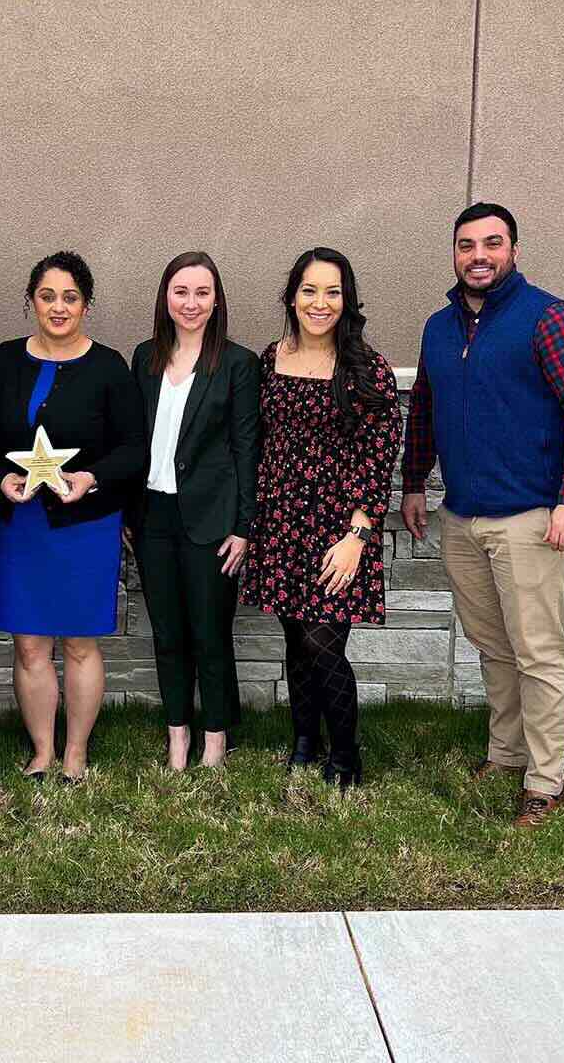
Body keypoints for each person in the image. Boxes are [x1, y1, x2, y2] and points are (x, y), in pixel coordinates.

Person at [401, 202, 564, 826]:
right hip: (462, 515)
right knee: (493, 647)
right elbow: (425, 407)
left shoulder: (549, 317)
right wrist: (415, 483)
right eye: (467, 245)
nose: (479, 255)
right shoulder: (439, 327)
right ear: (455, 255)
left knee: (538, 652)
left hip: (532, 517)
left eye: (492, 243)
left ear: (514, 249)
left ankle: (545, 781)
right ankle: (507, 752)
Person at [240, 248, 399, 788]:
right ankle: (305, 740)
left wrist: (358, 533)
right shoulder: (270, 358)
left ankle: (347, 755)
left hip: (339, 526)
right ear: (292, 296)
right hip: (281, 518)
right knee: (295, 638)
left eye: (332, 292)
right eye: (310, 290)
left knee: (322, 640)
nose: (320, 302)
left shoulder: (364, 367)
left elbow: (380, 453)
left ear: (347, 300)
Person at [0, 251, 147, 782]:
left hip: (86, 524)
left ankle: (75, 754)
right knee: (29, 642)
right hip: (25, 524)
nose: (59, 307)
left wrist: (91, 478)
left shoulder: (108, 366)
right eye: (48, 296)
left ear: (87, 304)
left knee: (80, 641)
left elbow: (133, 448)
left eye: (71, 297)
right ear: (31, 300)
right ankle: (42, 752)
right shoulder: (4, 361)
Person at [130, 251, 259, 771]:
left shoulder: (237, 364)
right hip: (151, 517)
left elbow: (248, 449)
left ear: (216, 299)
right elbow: (133, 439)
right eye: (181, 292)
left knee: (209, 631)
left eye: (202, 293)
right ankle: (177, 732)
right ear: (166, 296)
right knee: (166, 632)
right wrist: (123, 512)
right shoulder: (144, 356)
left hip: (211, 521)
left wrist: (245, 527)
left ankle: (215, 735)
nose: (191, 303)